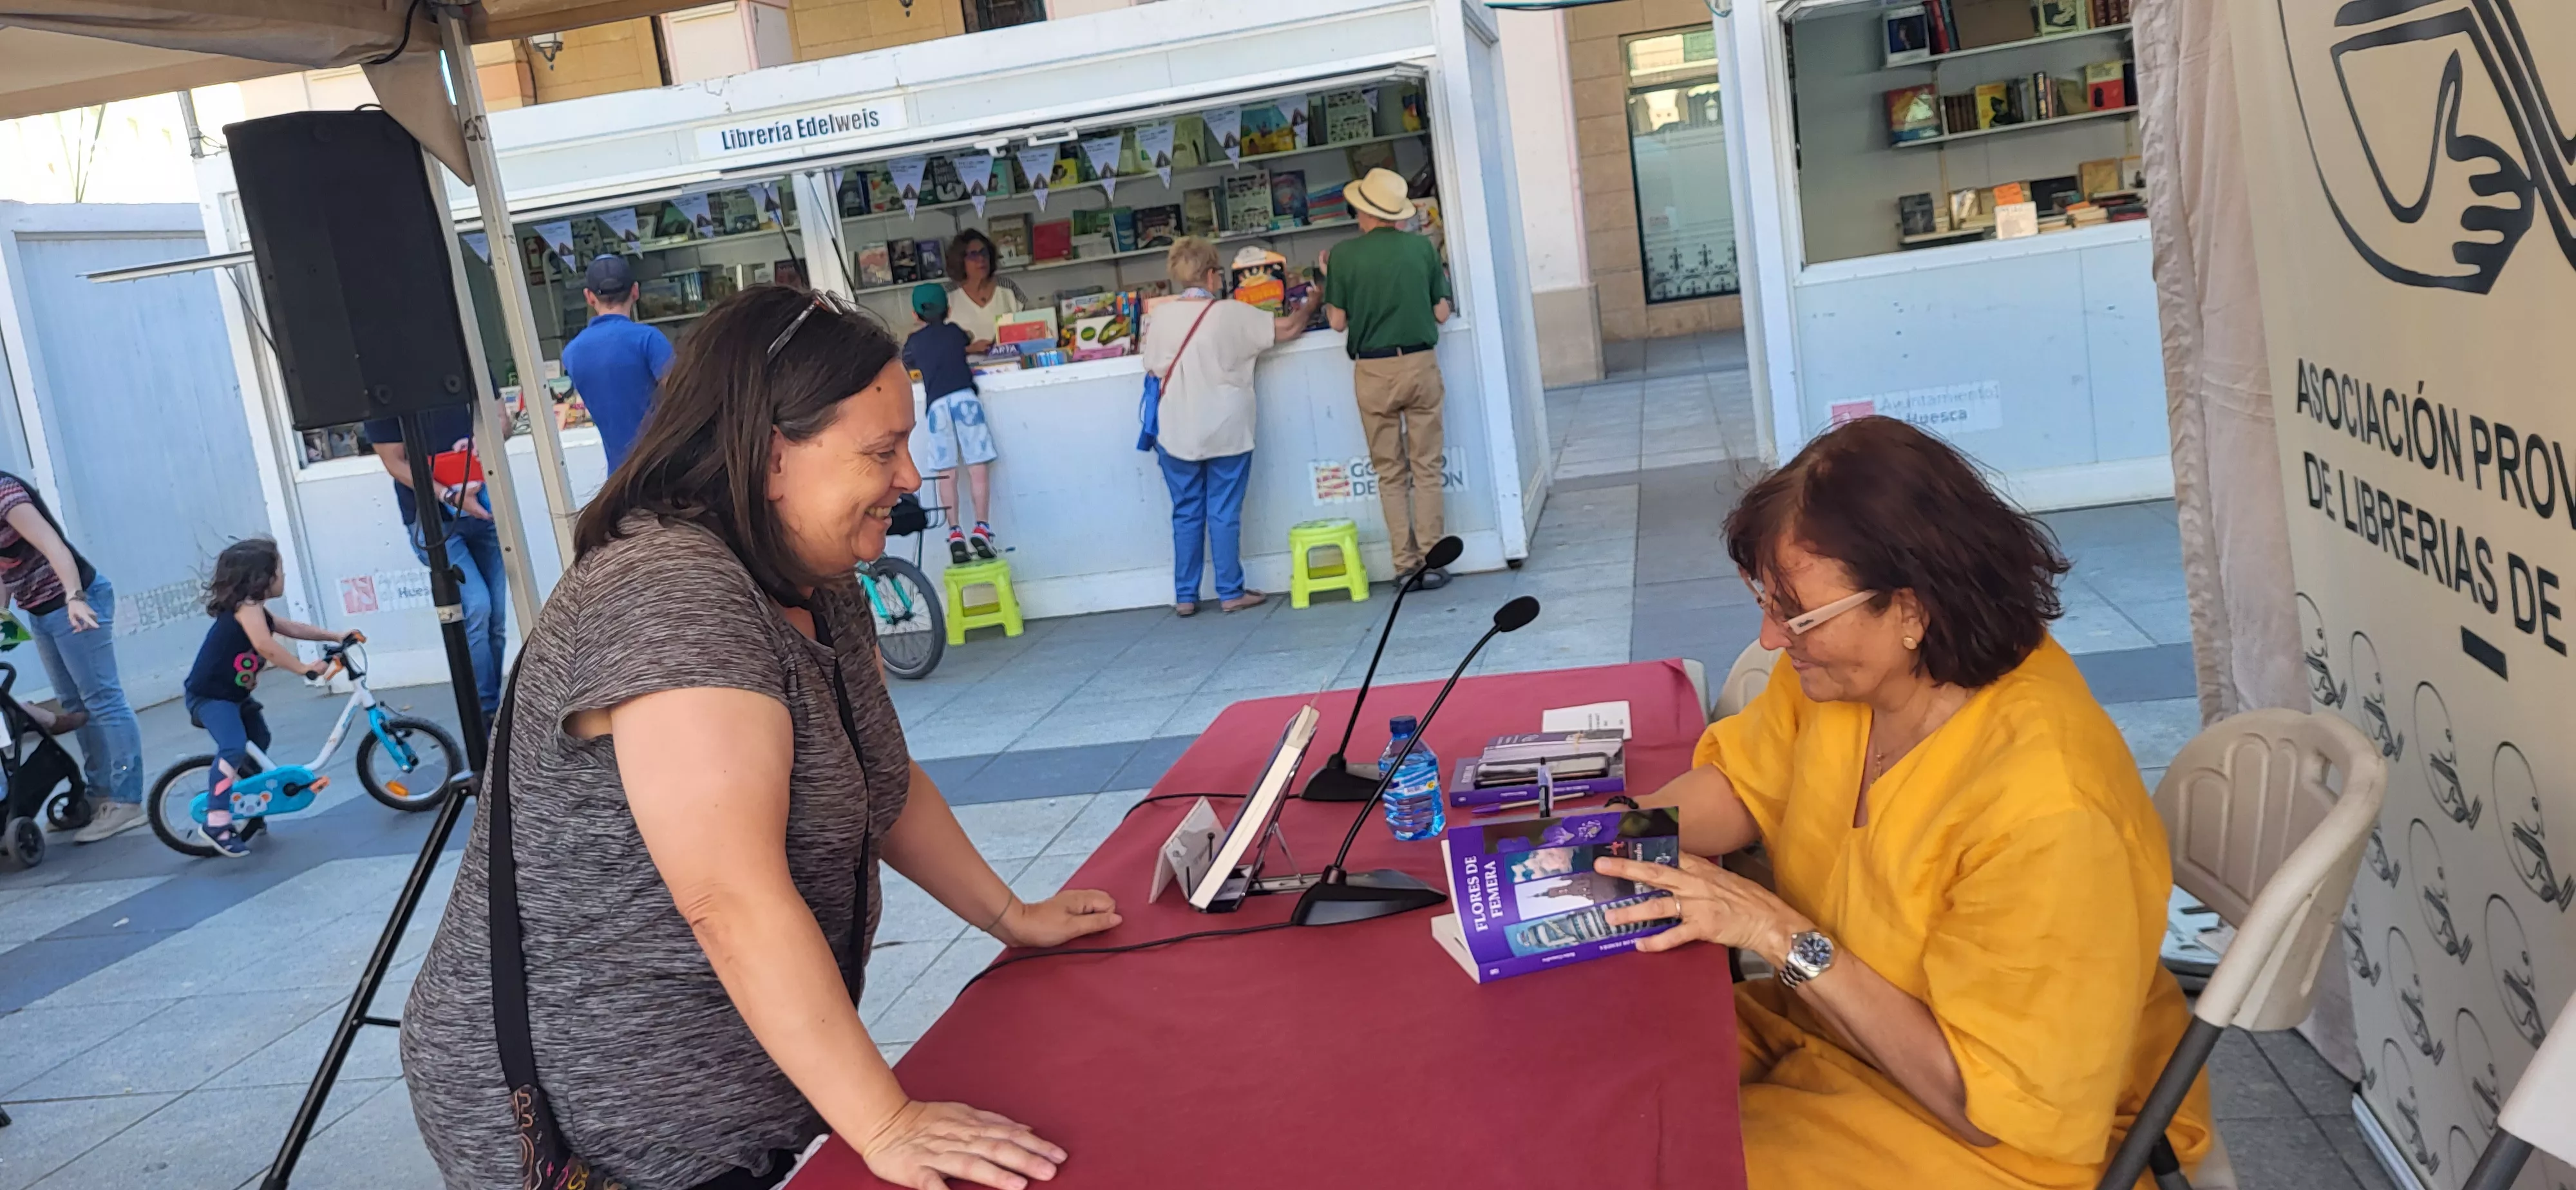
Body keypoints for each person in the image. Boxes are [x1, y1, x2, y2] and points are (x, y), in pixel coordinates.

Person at [401, 287, 1121, 1190]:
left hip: (717, 1100)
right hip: (591, 1122)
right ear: (774, 456)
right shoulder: (671, 587)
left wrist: (1007, 915)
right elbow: (727, 898)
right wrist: (886, 1122)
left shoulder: (816, 578)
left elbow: (884, 786)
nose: (908, 476)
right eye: (883, 449)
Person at [1598, 416, 2213, 1189]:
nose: (1768, 635)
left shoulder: (2048, 809)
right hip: (1833, 1030)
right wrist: (1607, 836)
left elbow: (1991, 1109)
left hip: (2004, 1140)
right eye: (1766, 599)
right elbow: (1741, 785)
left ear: (1913, 609)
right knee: (1606, 1066)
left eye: (1795, 611)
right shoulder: (1847, 677)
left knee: (1662, 1162)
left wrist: (1777, 932)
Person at [1137, 236, 1316, 616]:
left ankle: (1186, 596)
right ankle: (1230, 592)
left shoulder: (1161, 317)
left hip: (1176, 430)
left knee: (1186, 511)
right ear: (1213, 274)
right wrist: (1312, 303)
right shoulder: (1233, 313)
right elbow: (1287, 330)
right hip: (1227, 429)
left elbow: (1152, 366)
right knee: (1222, 510)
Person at [185, 538, 361, 858]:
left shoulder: (258, 611)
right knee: (234, 747)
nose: (283, 575)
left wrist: (334, 636)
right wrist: (303, 669)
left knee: (259, 739)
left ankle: (250, 804)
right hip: (211, 697)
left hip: (235, 696)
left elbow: (291, 628)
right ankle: (217, 820)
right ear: (260, 577)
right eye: (279, 569)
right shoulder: (246, 609)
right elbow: (266, 646)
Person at [1320, 167, 1454, 589]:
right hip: (1420, 363)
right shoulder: (1422, 249)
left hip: (1373, 370)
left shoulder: (1343, 255)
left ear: (1362, 210)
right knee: (1427, 467)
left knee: (1390, 471)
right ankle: (1434, 559)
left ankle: (1405, 565)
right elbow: (1442, 312)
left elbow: (1338, 322)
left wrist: (1330, 282)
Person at [0, 471, 145, 843]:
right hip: (40, 609)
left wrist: (75, 599)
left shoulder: (5, 493)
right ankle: (99, 795)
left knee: (104, 701)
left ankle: (127, 800)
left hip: (74, 602)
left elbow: (53, 546)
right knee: (75, 704)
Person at [362, 406, 506, 721]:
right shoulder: (379, 384)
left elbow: (500, 418)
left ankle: (495, 710)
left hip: (482, 499)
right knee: (477, 607)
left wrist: (482, 442)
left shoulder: (464, 359)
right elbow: (394, 461)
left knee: (496, 619)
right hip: (431, 516)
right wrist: (448, 495)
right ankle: (487, 716)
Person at [902, 283, 999, 565]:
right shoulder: (956, 332)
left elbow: (905, 362)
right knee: (977, 467)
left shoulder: (914, 343)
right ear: (950, 309)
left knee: (947, 472)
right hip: (965, 401)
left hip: (938, 407)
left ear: (914, 314)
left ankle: (955, 533)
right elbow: (963, 340)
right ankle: (981, 528)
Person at [561, 254, 676, 473]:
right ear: (635, 291)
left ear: (589, 297)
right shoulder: (649, 340)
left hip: (619, 476)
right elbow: (684, 396)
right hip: (665, 468)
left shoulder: (572, 353)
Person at [942, 229, 1023, 354]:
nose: (981, 259)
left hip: (1009, 365)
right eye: (973, 255)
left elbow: (1030, 326)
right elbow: (936, 345)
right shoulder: (947, 295)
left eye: (984, 253)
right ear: (960, 261)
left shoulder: (1007, 287)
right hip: (964, 370)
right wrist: (968, 350)